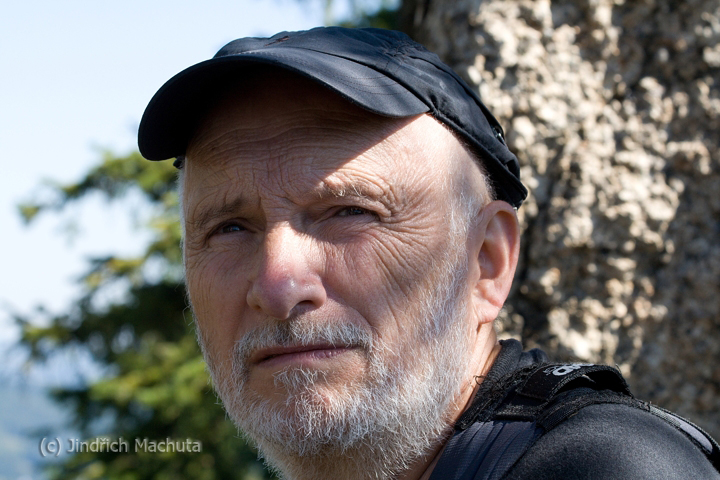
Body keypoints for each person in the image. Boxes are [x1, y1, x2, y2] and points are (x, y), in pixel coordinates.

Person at [138, 27, 719, 480]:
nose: (278, 285)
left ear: (486, 261)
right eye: (230, 228)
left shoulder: (605, 468)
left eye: (350, 211)